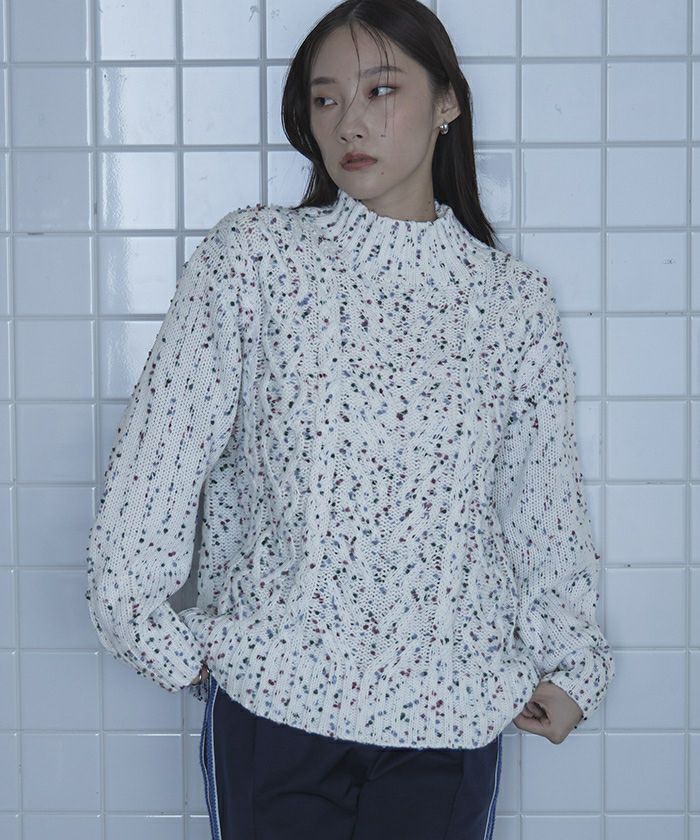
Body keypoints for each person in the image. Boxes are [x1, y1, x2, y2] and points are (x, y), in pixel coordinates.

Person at [85, 0, 616, 837]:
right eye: (325, 98)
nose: (349, 123)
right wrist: (159, 636)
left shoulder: (512, 304)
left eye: (381, 90)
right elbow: (158, 459)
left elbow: (538, 500)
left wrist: (572, 661)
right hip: (272, 709)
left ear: (448, 102)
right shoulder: (254, 260)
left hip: (450, 716)